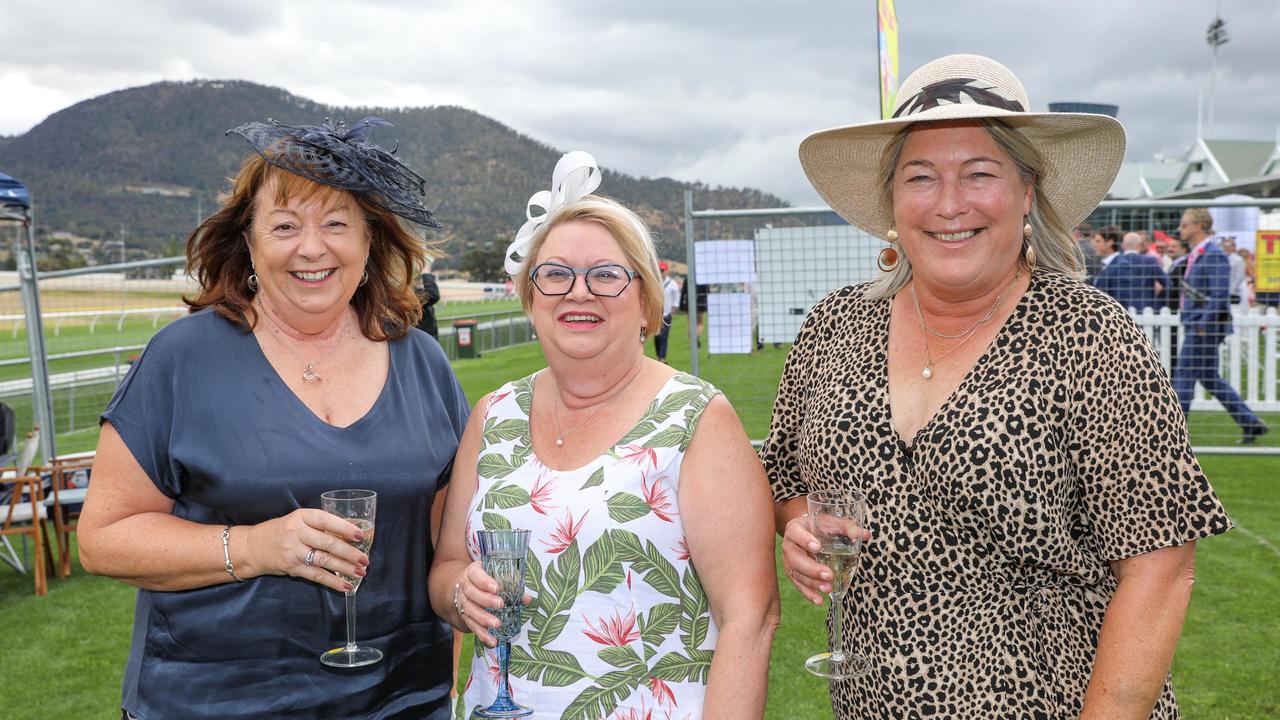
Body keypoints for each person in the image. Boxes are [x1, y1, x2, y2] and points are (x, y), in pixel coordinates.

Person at [766, 54, 1232, 718]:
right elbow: (784, 472)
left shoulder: (1091, 338)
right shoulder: (835, 325)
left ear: (1026, 190)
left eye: (979, 173)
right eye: (920, 176)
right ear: (893, 201)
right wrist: (801, 532)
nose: (950, 204)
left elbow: (1160, 570)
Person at [77, 117, 469, 719]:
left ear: (369, 243)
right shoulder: (182, 359)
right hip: (211, 702)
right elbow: (104, 539)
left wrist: (448, 675)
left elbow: (448, 552)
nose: (311, 248)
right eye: (285, 226)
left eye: (336, 224)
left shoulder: (423, 363)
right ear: (250, 244)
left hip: (401, 700)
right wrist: (258, 546)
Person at [430, 152, 779, 718]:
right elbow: (446, 567)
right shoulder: (493, 415)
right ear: (531, 295)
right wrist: (458, 593)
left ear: (646, 301)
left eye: (606, 275)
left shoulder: (694, 419)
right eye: (556, 274)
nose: (578, 292)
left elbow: (751, 618)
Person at [1171, 208, 1269, 444]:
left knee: (1183, 376)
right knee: (1210, 378)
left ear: (1199, 226)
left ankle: (1174, 434)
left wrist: (1203, 324)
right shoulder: (1200, 254)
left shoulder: (1212, 254)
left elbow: (1219, 295)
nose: (1180, 229)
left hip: (1204, 327)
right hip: (1201, 324)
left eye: (1185, 225)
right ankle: (1250, 423)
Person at [1097, 231, 1168, 311]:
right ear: (1139, 245)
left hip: (1119, 310)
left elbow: (1102, 286)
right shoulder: (1150, 261)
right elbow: (1168, 284)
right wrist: (1158, 303)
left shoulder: (1114, 261)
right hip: (1145, 309)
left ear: (1123, 246)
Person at [653, 260, 681, 362]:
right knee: (657, 337)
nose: (660, 272)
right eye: (659, 270)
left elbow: (676, 299)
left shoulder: (672, 284)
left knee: (663, 337)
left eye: (662, 270)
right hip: (656, 315)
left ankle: (662, 359)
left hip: (666, 314)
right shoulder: (654, 283)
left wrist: (672, 311)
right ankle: (658, 356)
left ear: (666, 271)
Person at [416, 261, 442, 338]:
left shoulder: (416, 291)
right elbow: (433, 294)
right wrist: (426, 274)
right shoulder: (406, 294)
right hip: (422, 342)